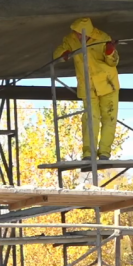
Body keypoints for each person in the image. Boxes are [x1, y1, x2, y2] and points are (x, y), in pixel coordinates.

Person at [53, 18, 120, 161]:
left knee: (109, 118)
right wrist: (63, 54)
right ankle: (88, 154)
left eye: (79, 33)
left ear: (88, 32)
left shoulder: (102, 38)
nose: (76, 35)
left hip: (108, 85)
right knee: (90, 119)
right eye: (75, 32)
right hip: (88, 86)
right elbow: (57, 54)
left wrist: (110, 52)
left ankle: (104, 154)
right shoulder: (70, 39)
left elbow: (113, 62)